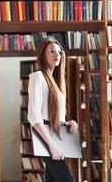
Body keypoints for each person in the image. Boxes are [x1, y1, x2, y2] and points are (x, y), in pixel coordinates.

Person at [27, 38, 78, 182]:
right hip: (47, 137)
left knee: (52, 179)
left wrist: (67, 122)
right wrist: (51, 145)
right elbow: (34, 116)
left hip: (57, 135)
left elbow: (53, 113)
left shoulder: (55, 81)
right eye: (51, 51)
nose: (57, 54)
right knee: (67, 179)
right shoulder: (37, 77)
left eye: (59, 52)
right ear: (43, 54)